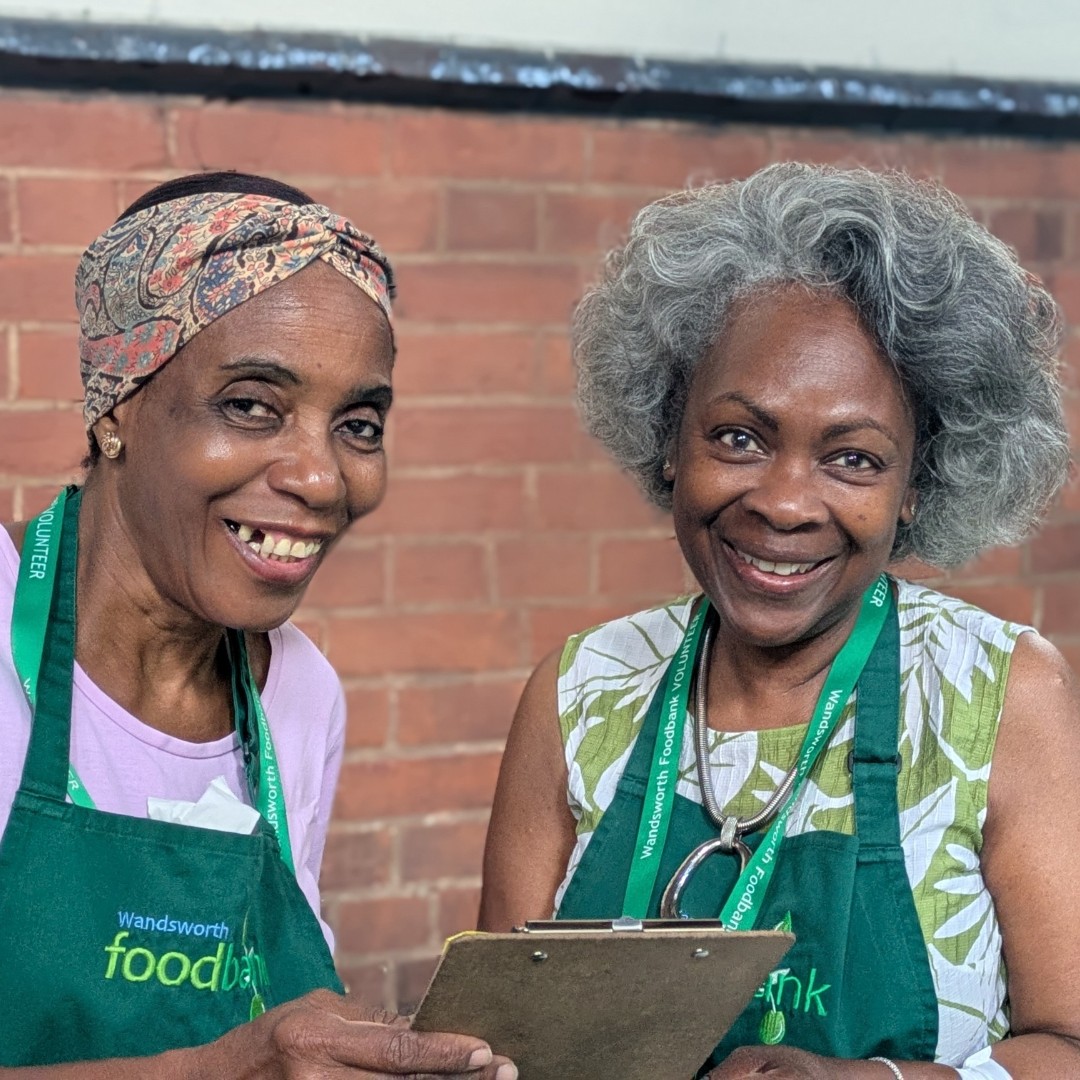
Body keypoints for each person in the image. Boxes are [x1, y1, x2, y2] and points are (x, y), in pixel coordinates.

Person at [480, 163, 1080, 1079]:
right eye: (739, 438)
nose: (787, 504)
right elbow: (500, 1044)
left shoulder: (999, 694)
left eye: (852, 458)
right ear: (669, 437)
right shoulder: (581, 690)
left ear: (917, 486)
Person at [0, 171, 515, 1079]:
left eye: (358, 424)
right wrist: (217, 1071)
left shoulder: (300, 694)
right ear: (118, 405)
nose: (321, 479)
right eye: (251, 406)